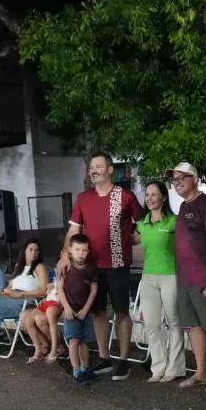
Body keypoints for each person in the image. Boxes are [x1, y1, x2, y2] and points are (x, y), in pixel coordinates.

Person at [56, 152, 142, 380]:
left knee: (123, 312)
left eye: (98, 166)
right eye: (91, 167)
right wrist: (65, 255)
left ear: (110, 169)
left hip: (118, 264)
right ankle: (104, 357)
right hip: (91, 267)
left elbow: (141, 226)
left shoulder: (125, 196)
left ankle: (123, 360)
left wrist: (133, 238)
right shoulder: (83, 198)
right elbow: (74, 231)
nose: (93, 170)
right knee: (99, 313)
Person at [168, 161, 206, 393]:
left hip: (204, 279)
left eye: (182, 177)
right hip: (184, 279)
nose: (177, 182)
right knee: (193, 326)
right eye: (174, 179)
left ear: (195, 178)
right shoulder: (184, 206)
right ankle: (202, 371)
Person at [134, 180, 184, 382]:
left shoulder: (174, 222)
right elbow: (129, 239)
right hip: (148, 278)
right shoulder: (142, 224)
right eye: (147, 195)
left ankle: (175, 368)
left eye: (154, 194)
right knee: (152, 325)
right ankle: (158, 367)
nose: (150, 198)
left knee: (174, 322)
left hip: (170, 276)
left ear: (163, 197)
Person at [60, 234, 99, 384]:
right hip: (71, 311)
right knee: (74, 341)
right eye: (77, 249)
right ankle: (76, 371)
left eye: (84, 250)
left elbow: (94, 291)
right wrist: (67, 308)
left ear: (88, 251)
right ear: (70, 250)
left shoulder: (91, 269)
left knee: (84, 341)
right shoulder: (65, 267)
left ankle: (85, 368)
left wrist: (85, 310)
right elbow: (60, 289)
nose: (80, 253)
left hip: (85, 312)